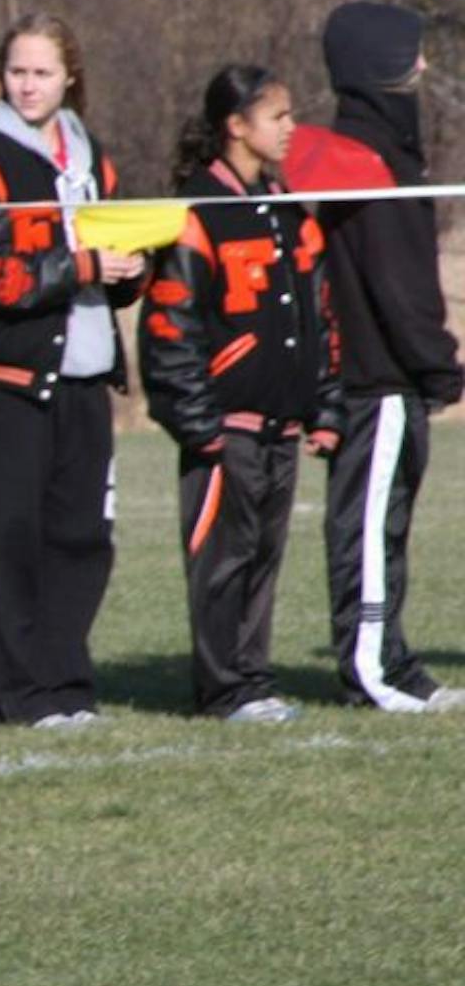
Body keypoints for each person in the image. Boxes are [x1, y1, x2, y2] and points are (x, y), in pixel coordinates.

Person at [0, 13, 148, 728]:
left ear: (70, 79)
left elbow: (112, 255)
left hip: (86, 379)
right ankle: (20, 697)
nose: (28, 86)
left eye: (42, 73)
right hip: (12, 383)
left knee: (82, 539)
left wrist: (128, 271)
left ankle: (66, 687)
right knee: (10, 544)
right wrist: (84, 266)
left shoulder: (92, 156)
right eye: (18, 72)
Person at [140, 65, 343, 723]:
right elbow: (169, 329)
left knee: (263, 557)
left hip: (283, 428)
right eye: (278, 116)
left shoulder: (288, 210)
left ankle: (254, 680)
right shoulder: (199, 213)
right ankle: (224, 688)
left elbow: (321, 315)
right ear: (236, 126)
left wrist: (326, 403)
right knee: (222, 561)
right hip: (225, 428)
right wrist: (201, 427)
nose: (291, 128)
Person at [287, 2, 465, 713]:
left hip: (392, 383)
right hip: (377, 382)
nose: (422, 67)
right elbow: (401, 286)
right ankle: (372, 670)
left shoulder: (387, 156)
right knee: (365, 531)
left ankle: (394, 661)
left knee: (387, 530)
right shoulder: (362, 163)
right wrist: (441, 363)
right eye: (410, 56)